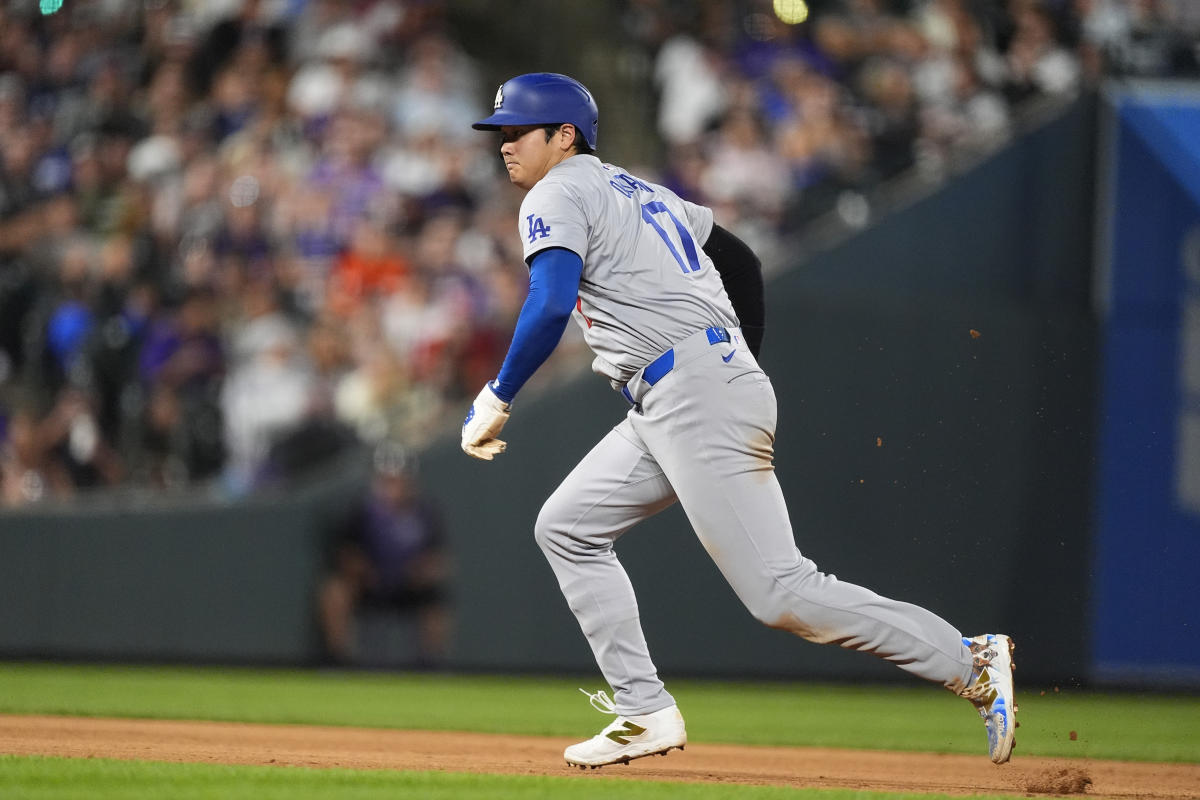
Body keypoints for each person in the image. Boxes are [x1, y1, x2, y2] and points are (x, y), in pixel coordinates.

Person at [461, 72, 1016, 768]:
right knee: (567, 528)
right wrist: (730, 363)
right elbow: (740, 259)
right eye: (500, 132)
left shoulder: (560, 189)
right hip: (682, 389)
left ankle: (969, 661)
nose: (504, 144)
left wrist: (498, 393)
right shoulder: (635, 189)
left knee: (781, 592)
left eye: (517, 131)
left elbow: (549, 303)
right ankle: (643, 711)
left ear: (564, 136)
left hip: (691, 389)